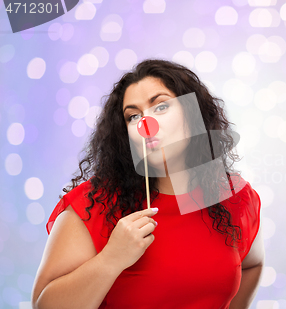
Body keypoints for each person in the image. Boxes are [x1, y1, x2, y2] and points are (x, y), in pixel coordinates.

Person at [31, 59, 264, 309]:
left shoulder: (233, 197)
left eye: (161, 106)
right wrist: (111, 259)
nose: (145, 125)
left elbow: (252, 264)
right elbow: (44, 305)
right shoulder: (93, 205)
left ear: (192, 113)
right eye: (133, 116)